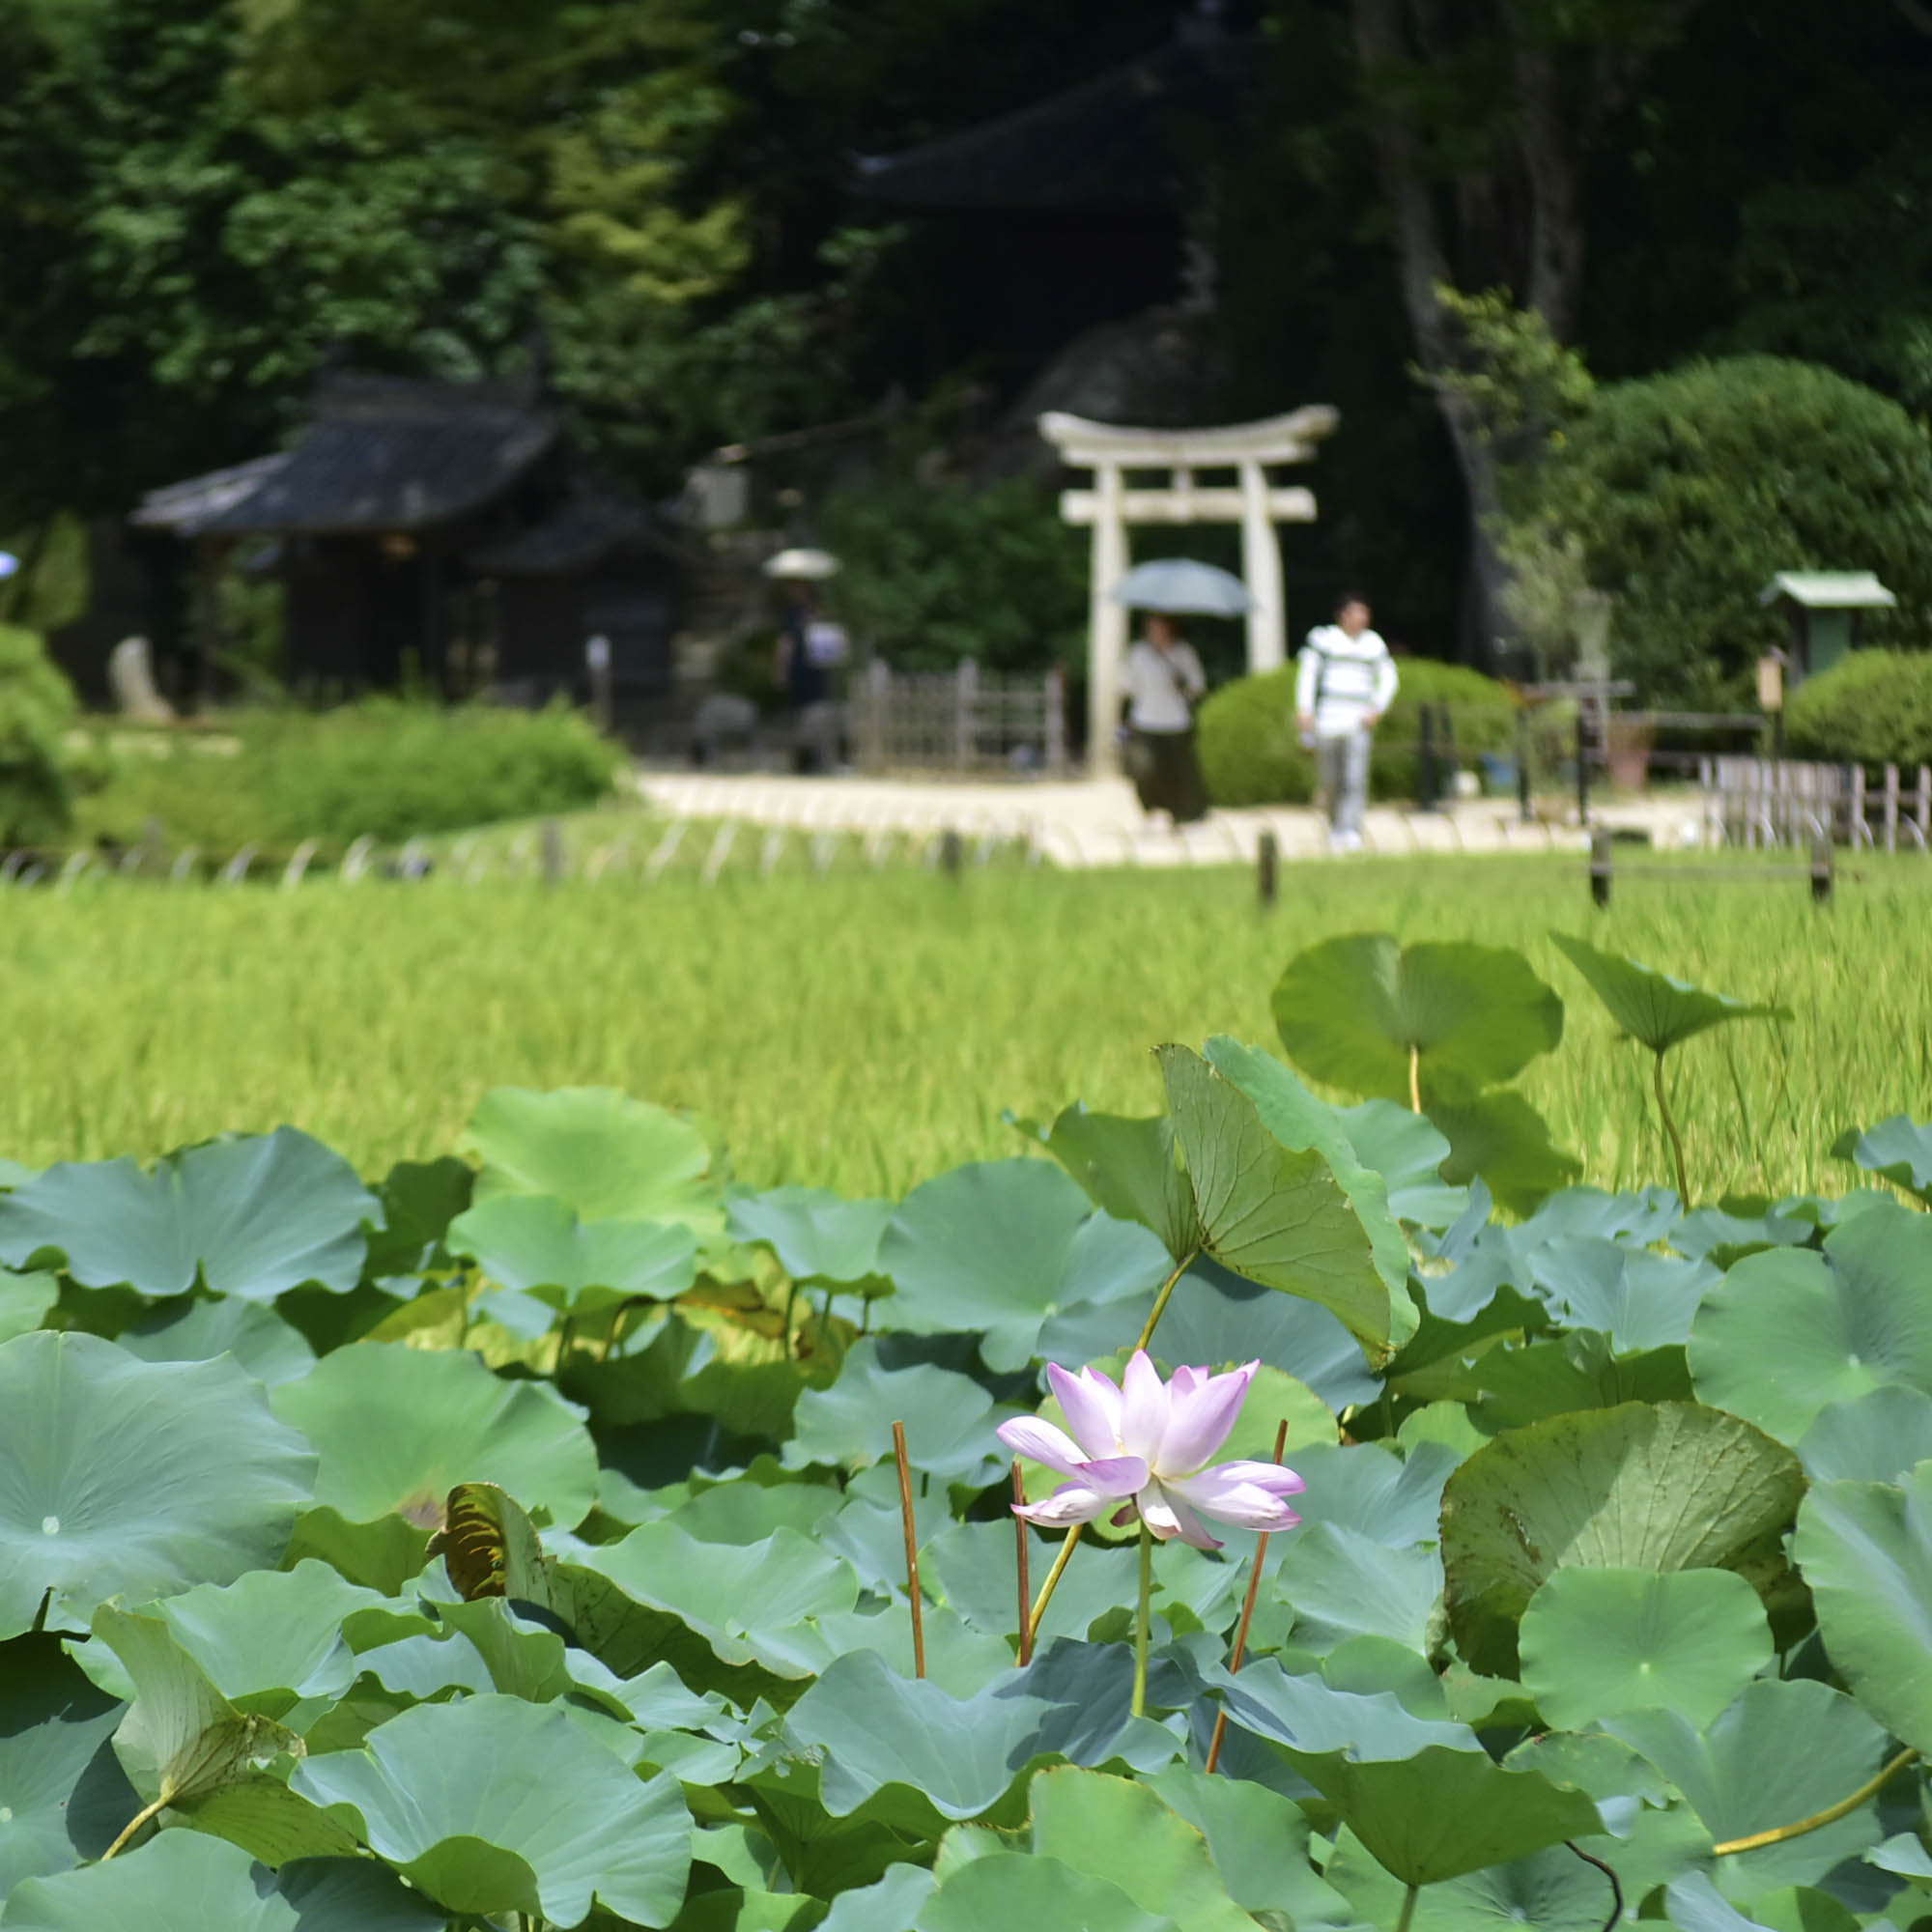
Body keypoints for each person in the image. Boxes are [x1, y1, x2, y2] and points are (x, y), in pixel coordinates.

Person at [1296, 592, 1397, 851]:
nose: (1362, 618)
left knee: (1355, 778)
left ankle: (1350, 829)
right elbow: (1307, 674)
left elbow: (1388, 678)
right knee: (1330, 779)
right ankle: (1335, 826)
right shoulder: (1324, 639)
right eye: (1357, 613)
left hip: (1357, 722)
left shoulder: (1373, 643)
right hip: (1329, 720)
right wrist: (1305, 709)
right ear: (1343, 615)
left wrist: (1377, 707)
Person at [1122, 611, 1209, 822]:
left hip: (1176, 723)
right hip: (1145, 721)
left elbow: (1198, 686)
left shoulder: (1183, 653)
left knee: (1177, 773)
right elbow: (1127, 686)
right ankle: (1151, 809)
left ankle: (1180, 813)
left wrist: (1182, 685)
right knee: (1145, 770)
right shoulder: (1138, 654)